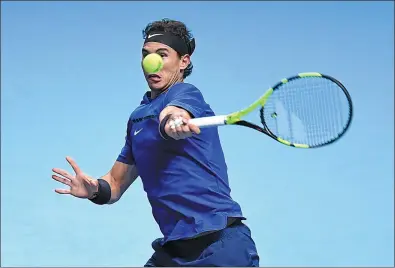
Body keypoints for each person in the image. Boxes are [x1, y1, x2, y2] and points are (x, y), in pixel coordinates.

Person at [51, 18, 260, 267]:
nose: (152, 63)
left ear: (184, 61)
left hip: (218, 243)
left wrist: (173, 121)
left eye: (163, 54)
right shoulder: (137, 118)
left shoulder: (186, 93)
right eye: (146, 55)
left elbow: (173, 113)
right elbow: (115, 183)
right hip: (173, 250)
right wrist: (94, 189)